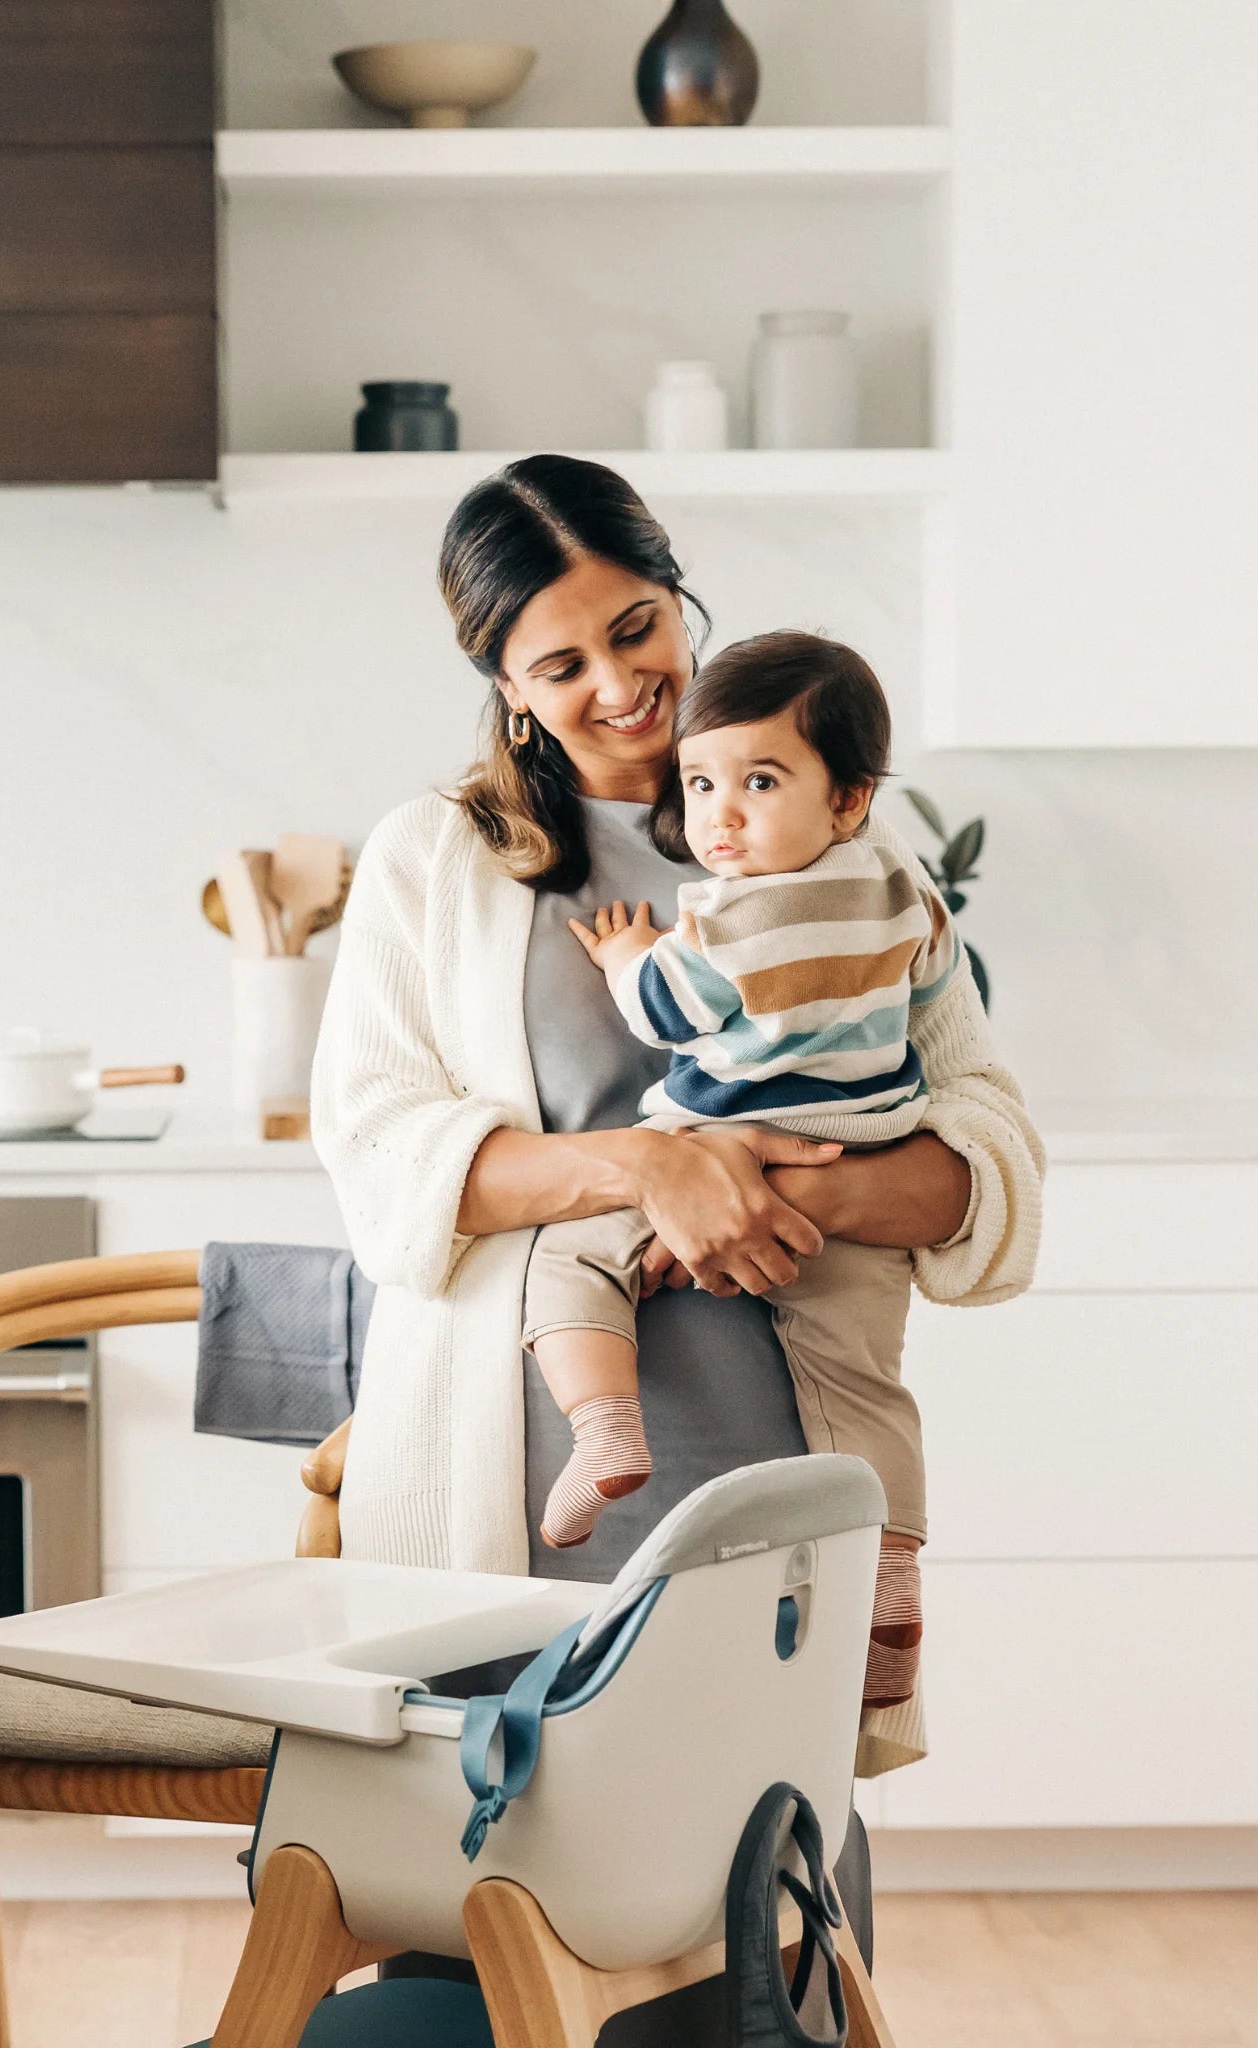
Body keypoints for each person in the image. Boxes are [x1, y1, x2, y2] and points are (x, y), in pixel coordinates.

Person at [311, 453, 1043, 1782]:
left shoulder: (827, 832)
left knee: (761, 1898)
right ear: (505, 688)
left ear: (676, 594)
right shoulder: (433, 855)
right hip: (518, 1471)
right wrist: (654, 1166)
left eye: (636, 628)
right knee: (488, 1898)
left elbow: (985, 1140)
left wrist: (793, 1193)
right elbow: (379, 1154)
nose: (618, 684)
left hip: (777, 1448)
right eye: (561, 665)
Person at [524, 628, 973, 1715]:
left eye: (756, 783)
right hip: (861, 1164)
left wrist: (626, 953)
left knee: (569, 1264)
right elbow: (937, 984)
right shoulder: (902, 891)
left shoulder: (724, 916)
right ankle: (894, 1582)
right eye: (701, 783)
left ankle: (601, 1425)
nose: (718, 816)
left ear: (846, 796)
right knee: (864, 1393)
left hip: (719, 1146)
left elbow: (665, 1010)